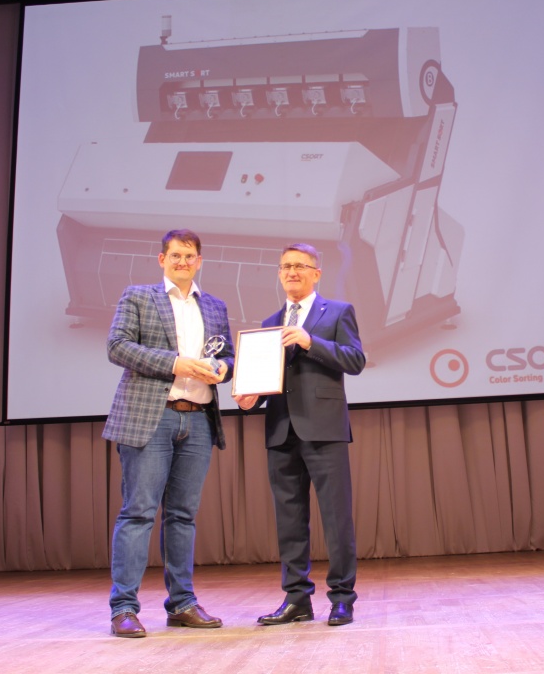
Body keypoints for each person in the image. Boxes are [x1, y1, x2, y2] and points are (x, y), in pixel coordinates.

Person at [103, 229, 234, 638]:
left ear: (199, 262)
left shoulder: (214, 305)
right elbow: (117, 346)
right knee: (138, 513)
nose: (183, 262)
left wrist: (225, 368)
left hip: (198, 420)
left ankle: (182, 604)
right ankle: (124, 609)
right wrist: (174, 363)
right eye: (175, 255)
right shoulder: (138, 296)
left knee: (182, 516)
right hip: (151, 417)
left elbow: (227, 353)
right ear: (162, 259)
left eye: (190, 256)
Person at [234, 243, 366, 627]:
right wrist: (251, 397)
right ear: (279, 274)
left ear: (316, 273)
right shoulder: (269, 323)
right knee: (289, 521)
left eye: (300, 266)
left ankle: (342, 598)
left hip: (324, 429)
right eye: (286, 266)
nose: (292, 272)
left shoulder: (338, 312)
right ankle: (296, 599)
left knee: (336, 519)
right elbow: (268, 377)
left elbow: (355, 360)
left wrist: (310, 342)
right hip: (281, 430)